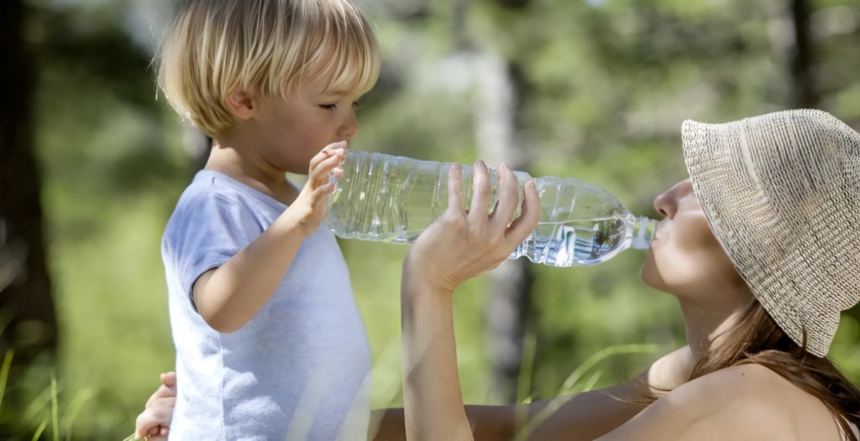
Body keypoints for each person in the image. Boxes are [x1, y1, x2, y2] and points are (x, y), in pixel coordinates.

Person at [137, 109, 860, 440]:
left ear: (766, 248)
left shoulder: (747, 404)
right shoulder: (697, 377)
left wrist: (430, 286)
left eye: (708, 190)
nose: (665, 195)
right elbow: (507, 429)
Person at [151, 0, 381, 439]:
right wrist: (295, 223)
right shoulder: (214, 201)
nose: (349, 125)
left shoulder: (294, 199)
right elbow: (221, 308)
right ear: (244, 99)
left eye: (355, 103)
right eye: (330, 103)